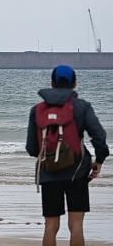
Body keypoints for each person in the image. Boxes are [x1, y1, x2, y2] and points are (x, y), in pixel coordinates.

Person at [25, 65, 107, 246]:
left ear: (51, 83)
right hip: (77, 172)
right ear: (75, 84)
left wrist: (51, 157)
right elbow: (99, 137)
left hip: (48, 172)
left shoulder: (37, 110)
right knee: (76, 225)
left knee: (50, 225)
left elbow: (31, 148)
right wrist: (98, 161)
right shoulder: (82, 107)